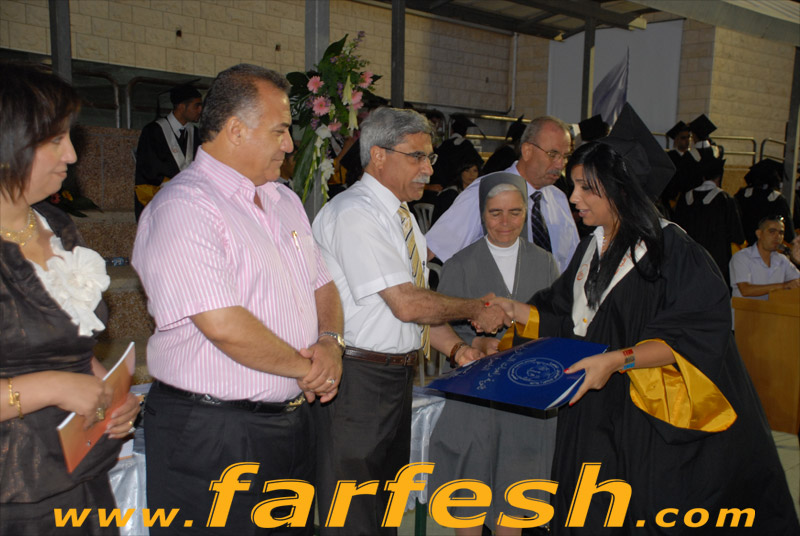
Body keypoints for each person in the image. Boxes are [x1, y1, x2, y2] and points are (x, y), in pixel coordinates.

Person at [490, 104, 798, 535]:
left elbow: (692, 336)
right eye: (574, 186)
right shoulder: (592, 247)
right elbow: (565, 316)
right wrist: (514, 310)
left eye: (586, 188)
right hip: (591, 409)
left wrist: (617, 360)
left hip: (645, 417)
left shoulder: (673, 251)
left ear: (621, 190)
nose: (574, 198)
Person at [132, 64, 343, 536]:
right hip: (214, 433)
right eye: (280, 131)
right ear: (235, 130)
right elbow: (223, 325)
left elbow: (323, 284)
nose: (289, 145)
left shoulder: (284, 200)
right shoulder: (185, 207)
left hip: (292, 422)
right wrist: (308, 368)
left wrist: (330, 343)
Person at [311, 107, 507, 536]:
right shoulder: (355, 213)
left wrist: (458, 348)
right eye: (417, 156)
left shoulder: (401, 217)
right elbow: (407, 304)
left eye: (429, 157)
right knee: (352, 517)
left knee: (384, 514)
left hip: (393, 379)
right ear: (378, 155)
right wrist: (475, 309)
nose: (428, 169)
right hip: (357, 380)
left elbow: (415, 309)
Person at [0, 62, 140, 534]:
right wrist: (55, 387)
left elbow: (67, 341)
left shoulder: (56, 225)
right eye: (55, 140)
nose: (72, 155)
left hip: (80, 472)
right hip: (16, 493)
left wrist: (110, 396)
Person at [428, 172, 560, 536]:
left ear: (525, 213)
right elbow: (440, 327)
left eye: (515, 212)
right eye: (495, 213)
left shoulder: (545, 263)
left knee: (515, 503)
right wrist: (473, 345)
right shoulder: (460, 264)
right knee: (468, 500)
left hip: (525, 402)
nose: (505, 222)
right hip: (476, 401)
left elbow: (554, 324)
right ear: (482, 214)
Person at [426, 116, 579, 272]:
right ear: (527, 151)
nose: (560, 164)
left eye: (565, 156)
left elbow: (573, 261)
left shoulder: (558, 199)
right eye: (553, 154)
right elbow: (433, 248)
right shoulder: (485, 191)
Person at [672, 155, 744, 288]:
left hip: (689, 259)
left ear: (703, 177)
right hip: (716, 261)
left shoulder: (685, 198)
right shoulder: (725, 199)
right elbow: (737, 235)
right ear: (719, 177)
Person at [134, 84, 203, 219]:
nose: (201, 110)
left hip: (189, 206)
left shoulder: (197, 135)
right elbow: (149, 170)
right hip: (161, 204)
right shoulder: (153, 131)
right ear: (181, 106)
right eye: (197, 106)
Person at [729, 215, 800, 300]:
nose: (778, 237)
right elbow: (745, 290)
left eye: (781, 233)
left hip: (773, 308)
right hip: (745, 308)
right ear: (759, 234)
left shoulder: (782, 260)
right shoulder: (742, 257)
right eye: (772, 232)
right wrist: (784, 286)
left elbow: (797, 281)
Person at [735, 158, 795, 245]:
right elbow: (789, 233)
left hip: (743, 246)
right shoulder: (777, 199)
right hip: (768, 248)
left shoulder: (741, 195)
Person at [431, 149, 483, 224]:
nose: (471, 174)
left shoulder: (476, 191)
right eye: (467, 170)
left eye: (475, 171)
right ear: (460, 172)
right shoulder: (450, 194)